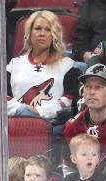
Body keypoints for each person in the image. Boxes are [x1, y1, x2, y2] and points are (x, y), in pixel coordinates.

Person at [6, 10, 81, 166]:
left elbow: (69, 100)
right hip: (15, 123)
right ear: (29, 32)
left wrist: (39, 112)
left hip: (52, 126)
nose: (42, 33)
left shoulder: (67, 66)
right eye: (38, 28)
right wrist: (22, 110)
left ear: (54, 35)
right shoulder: (14, 64)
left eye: (48, 30)